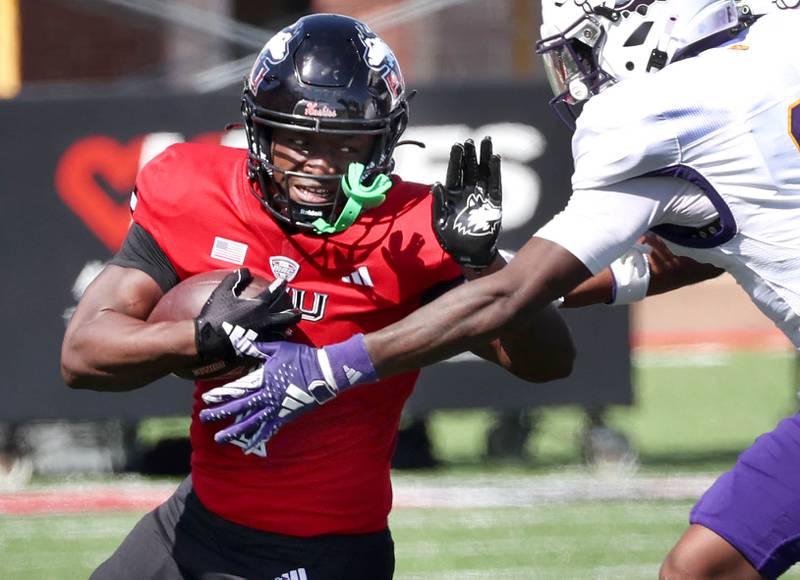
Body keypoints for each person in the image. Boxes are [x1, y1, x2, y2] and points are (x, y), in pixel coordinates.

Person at [201, 2, 800, 578]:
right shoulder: (779, 44)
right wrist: (502, 277)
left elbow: (508, 299)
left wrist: (326, 368)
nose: (576, 76)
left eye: (582, 54)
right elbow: (710, 242)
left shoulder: (659, 115)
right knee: (706, 568)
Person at [60, 14, 576, 580]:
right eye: (299, 140)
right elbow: (83, 354)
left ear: (384, 141)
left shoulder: (412, 227)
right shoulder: (190, 187)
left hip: (324, 551)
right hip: (197, 520)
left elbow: (548, 363)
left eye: (346, 143)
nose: (320, 166)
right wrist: (201, 336)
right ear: (261, 132)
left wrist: (482, 264)